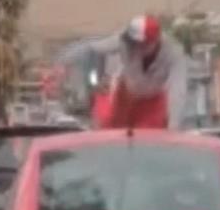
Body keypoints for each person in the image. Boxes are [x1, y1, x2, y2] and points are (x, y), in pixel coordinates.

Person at [59, 14, 188, 131]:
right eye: (130, 42)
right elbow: (96, 47)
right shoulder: (124, 41)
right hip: (125, 95)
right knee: (110, 131)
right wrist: (68, 58)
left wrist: (174, 127)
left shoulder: (174, 55)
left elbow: (177, 92)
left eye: (137, 44)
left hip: (152, 100)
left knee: (149, 135)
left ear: (153, 43)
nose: (131, 47)